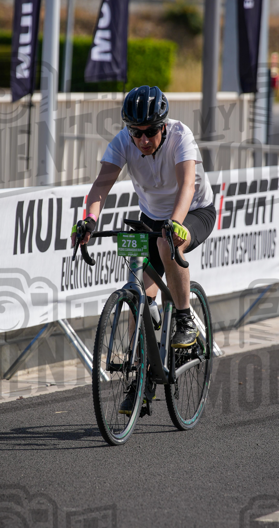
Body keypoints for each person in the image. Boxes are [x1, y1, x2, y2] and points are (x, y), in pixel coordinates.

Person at [73, 85, 216, 409]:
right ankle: (143, 377)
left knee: (167, 244)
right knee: (140, 292)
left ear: (163, 126)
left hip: (193, 211)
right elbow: (101, 185)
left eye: (150, 132)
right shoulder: (123, 142)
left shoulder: (181, 136)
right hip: (151, 216)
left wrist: (176, 223)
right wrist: (90, 221)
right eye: (136, 132)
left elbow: (187, 186)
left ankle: (184, 320)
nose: (143, 139)